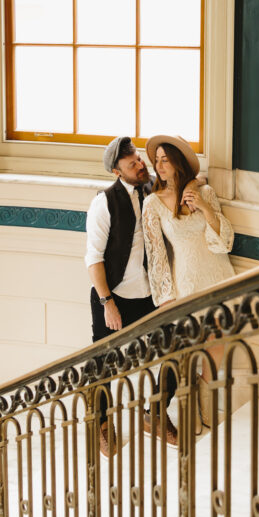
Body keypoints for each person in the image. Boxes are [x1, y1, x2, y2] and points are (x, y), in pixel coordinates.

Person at [85, 135, 178, 456]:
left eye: (139, 158)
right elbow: (93, 258)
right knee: (104, 363)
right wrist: (107, 303)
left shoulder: (154, 188)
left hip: (152, 294)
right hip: (115, 297)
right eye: (131, 163)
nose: (140, 165)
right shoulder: (104, 203)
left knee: (174, 348)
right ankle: (101, 423)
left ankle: (154, 412)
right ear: (116, 171)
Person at [142, 135, 236, 426]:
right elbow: (155, 252)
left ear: (178, 162)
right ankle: (180, 401)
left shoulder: (204, 192)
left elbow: (225, 243)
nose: (158, 166)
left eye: (164, 160)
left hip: (216, 272)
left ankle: (206, 394)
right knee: (187, 345)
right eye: (156, 160)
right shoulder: (152, 204)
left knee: (218, 337)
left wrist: (205, 207)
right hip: (186, 281)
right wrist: (165, 297)